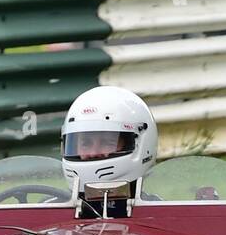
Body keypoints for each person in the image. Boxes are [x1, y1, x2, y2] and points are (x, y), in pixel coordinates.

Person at [60, 86, 158, 217]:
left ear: (141, 144)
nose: (94, 153)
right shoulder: (52, 209)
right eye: (86, 143)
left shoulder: (159, 212)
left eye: (107, 143)